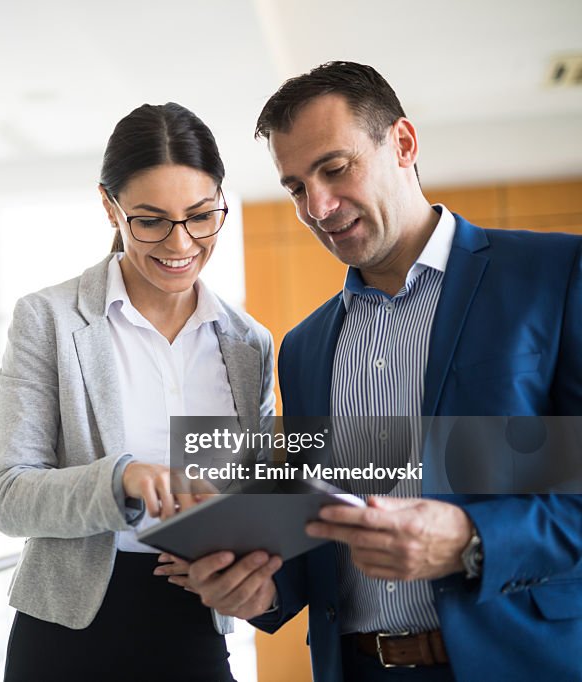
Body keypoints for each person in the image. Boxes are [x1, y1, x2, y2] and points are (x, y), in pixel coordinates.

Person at [185, 62, 582, 681]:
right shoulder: (304, 347)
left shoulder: (553, 276)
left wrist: (472, 537)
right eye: (295, 187)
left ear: (402, 143)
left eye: (335, 168)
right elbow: (319, 524)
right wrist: (260, 590)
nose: (317, 206)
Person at [0, 102, 275, 681]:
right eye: (150, 220)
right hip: (67, 631)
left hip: (196, 618)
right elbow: (8, 496)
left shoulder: (249, 344)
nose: (180, 242)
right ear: (109, 208)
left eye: (201, 215)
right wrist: (122, 478)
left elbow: (256, 495)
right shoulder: (50, 319)